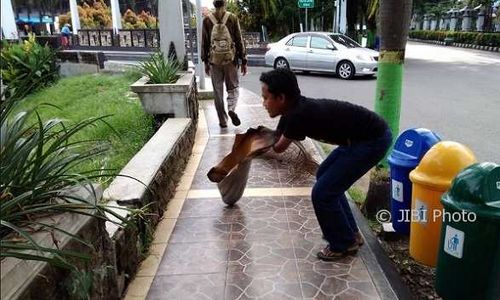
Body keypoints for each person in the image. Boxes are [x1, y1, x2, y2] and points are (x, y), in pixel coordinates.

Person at [260, 69, 392, 261]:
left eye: (265, 98)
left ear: (281, 98)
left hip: (372, 140)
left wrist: (253, 150)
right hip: (356, 140)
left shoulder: (297, 115)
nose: (263, 103)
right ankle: (351, 234)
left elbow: (278, 147)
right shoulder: (291, 110)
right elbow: (277, 136)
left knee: (322, 193)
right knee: (324, 176)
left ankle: (343, 244)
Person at [201, 0, 248, 128]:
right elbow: (239, 40)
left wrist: (205, 61)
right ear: (225, 4)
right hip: (230, 60)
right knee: (233, 88)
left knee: (218, 92)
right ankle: (231, 108)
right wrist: (243, 60)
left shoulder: (207, 20)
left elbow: (204, 42)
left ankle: (223, 121)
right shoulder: (232, 18)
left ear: (214, 4)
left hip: (214, 61)